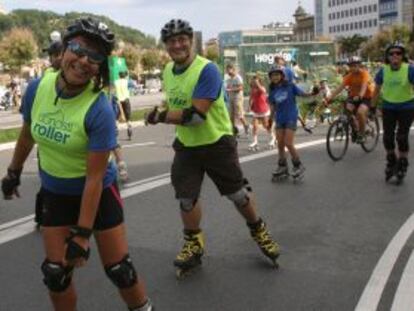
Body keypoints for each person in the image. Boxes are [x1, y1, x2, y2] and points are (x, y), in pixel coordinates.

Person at [1, 18, 153, 311]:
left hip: (97, 194)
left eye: (95, 56)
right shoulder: (37, 87)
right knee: (56, 274)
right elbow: (27, 133)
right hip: (56, 193)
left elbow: (94, 179)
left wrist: (83, 234)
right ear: (64, 49)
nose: (84, 60)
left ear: (101, 66)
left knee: (120, 270)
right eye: (79, 49)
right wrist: (13, 171)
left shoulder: (99, 107)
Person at [145, 19, 280, 275]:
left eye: (182, 39)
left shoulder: (206, 70)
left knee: (237, 195)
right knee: (186, 198)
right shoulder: (167, 70)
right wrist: (164, 112)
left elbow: (196, 116)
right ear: (166, 46)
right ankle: (193, 243)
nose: (177, 44)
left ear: (191, 41)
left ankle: (258, 229)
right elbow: (176, 103)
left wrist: (161, 116)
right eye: (172, 41)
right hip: (186, 145)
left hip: (217, 142)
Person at [373, 42, 414, 182]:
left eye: (398, 53)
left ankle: (403, 162)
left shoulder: (409, 69)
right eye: (391, 53)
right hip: (388, 107)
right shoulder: (383, 71)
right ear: (387, 57)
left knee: (402, 137)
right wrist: (372, 107)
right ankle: (391, 160)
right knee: (387, 138)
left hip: (407, 107)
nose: (395, 56)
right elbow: (376, 90)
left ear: (403, 56)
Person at [268, 66, 315, 181]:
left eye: (277, 74)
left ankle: (298, 165)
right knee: (280, 144)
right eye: (273, 75)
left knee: (288, 143)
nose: (275, 77)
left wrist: (313, 93)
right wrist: (270, 119)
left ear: (282, 75)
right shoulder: (272, 90)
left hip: (291, 117)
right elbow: (273, 106)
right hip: (279, 118)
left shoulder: (290, 86)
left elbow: (303, 94)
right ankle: (282, 166)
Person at [326, 56, 374, 143]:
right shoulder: (349, 76)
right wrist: (329, 98)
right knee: (347, 111)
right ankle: (355, 129)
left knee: (360, 112)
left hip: (367, 96)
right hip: (354, 96)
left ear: (359, 65)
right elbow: (339, 88)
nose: (353, 68)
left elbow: (364, 86)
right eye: (351, 66)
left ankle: (362, 134)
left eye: (355, 65)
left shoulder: (364, 74)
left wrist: (360, 96)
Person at [273, 55, 312, 134]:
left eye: (279, 59)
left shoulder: (288, 70)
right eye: (276, 59)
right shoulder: (273, 70)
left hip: (288, 93)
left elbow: (293, 81)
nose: (277, 60)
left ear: (283, 61)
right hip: (278, 94)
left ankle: (302, 125)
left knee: (294, 110)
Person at [248, 74, 275, 150]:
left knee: (266, 126)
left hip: (263, 110)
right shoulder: (252, 89)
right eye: (253, 81)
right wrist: (249, 106)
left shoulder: (261, 88)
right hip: (256, 110)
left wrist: (258, 84)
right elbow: (251, 98)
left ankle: (273, 137)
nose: (254, 83)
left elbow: (263, 91)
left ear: (259, 82)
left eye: (255, 81)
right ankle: (255, 141)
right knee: (255, 126)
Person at [225, 63, 250, 136]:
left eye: (229, 69)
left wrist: (230, 90)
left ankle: (246, 126)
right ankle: (233, 131)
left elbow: (241, 88)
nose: (228, 71)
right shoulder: (228, 79)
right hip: (231, 98)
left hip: (237, 98)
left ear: (233, 69)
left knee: (239, 114)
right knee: (231, 115)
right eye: (227, 70)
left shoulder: (237, 78)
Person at [114, 70, 133, 140]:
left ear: (119, 75)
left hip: (118, 101)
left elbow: (113, 90)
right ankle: (129, 128)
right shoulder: (127, 81)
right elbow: (132, 85)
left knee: (117, 116)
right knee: (128, 116)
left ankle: (116, 130)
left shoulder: (116, 82)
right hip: (126, 100)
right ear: (124, 75)